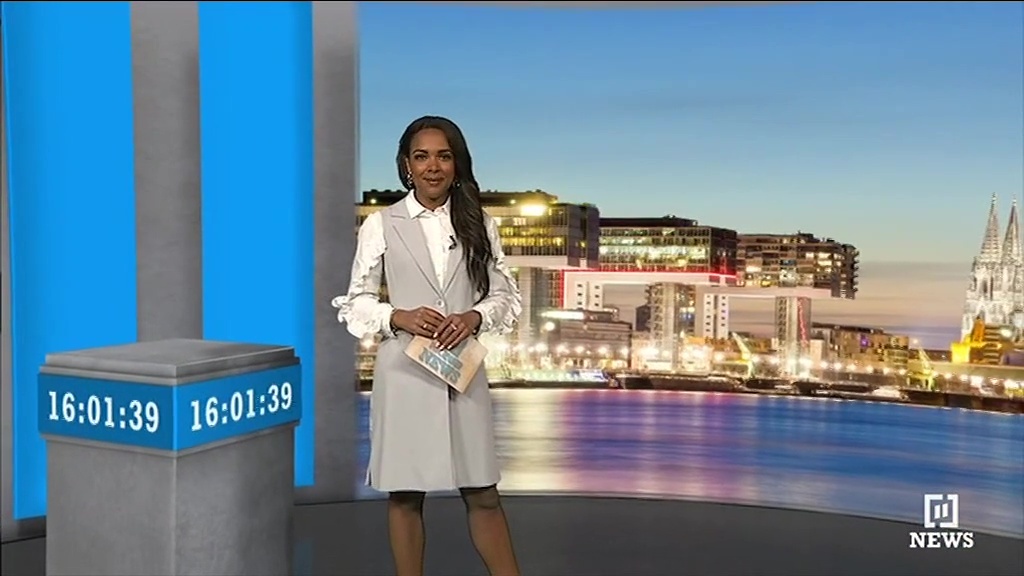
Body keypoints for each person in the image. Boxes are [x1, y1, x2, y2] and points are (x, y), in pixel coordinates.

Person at [332, 115, 522, 576]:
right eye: (421, 157)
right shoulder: (380, 224)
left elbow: (505, 296)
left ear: (457, 164)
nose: (432, 166)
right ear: (406, 165)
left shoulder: (479, 223)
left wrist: (475, 317)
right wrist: (397, 316)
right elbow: (355, 301)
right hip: (404, 372)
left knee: (483, 492)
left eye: (443, 156)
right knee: (404, 494)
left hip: (463, 370)